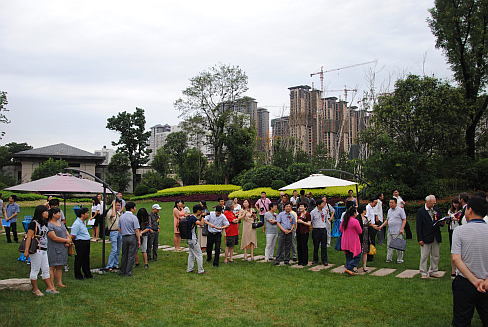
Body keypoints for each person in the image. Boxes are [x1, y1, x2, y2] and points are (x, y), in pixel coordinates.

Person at [451, 195, 488, 326]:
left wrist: (474, 281)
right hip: (486, 283)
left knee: (462, 321)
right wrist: (485, 281)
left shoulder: (459, 231)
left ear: (470, 210)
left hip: (466, 283)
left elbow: (456, 258)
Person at [24, 205, 57, 296]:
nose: (47, 213)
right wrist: (26, 250)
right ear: (41, 213)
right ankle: (35, 289)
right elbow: (29, 237)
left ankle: (49, 287)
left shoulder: (45, 223)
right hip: (36, 249)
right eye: (46, 212)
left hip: (44, 249)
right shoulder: (33, 223)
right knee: (35, 269)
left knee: (46, 269)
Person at [417, 195, 445, 279]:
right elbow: (419, 226)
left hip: (435, 235)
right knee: (424, 255)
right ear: (427, 202)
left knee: (436, 255)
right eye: (432, 203)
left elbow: (439, 220)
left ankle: (433, 270)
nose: (433, 205)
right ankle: (423, 272)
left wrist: (442, 222)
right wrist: (420, 239)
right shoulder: (421, 212)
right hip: (426, 236)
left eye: (435, 203)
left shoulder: (436, 210)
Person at [47, 207, 70, 289]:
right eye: (58, 213)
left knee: (59, 266)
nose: (60, 215)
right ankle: (51, 285)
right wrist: (66, 240)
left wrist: (68, 240)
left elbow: (66, 232)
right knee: (52, 266)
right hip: (53, 247)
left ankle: (59, 283)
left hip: (63, 247)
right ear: (53, 214)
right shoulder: (49, 225)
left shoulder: (61, 223)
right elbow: (54, 237)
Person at [379, 198, 407, 263]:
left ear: (396, 203)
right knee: (389, 245)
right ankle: (389, 258)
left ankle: (400, 259)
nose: (390, 204)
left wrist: (402, 229)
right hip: (390, 230)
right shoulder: (389, 210)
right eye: (390, 203)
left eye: (392, 203)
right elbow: (387, 220)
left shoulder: (400, 210)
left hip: (398, 230)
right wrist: (382, 226)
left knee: (399, 246)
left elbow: (404, 220)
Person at [70, 207, 95, 280]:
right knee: (79, 258)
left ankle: (87, 273)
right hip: (80, 242)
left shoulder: (83, 222)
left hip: (85, 242)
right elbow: (73, 235)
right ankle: (78, 275)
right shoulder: (77, 223)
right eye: (87, 213)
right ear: (82, 215)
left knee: (86, 258)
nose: (88, 215)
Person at [118, 202, 141, 277]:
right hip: (132, 236)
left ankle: (122, 271)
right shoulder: (134, 217)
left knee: (124, 254)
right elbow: (136, 230)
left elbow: (118, 227)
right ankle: (128, 272)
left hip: (124, 237)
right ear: (131, 208)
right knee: (131, 255)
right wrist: (138, 240)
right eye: (134, 207)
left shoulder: (122, 217)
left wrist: (123, 233)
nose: (135, 209)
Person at [340, 206, 362, 276]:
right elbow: (360, 231)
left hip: (345, 239)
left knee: (348, 255)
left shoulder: (345, 220)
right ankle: (349, 268)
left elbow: (341, 229)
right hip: (353, 240)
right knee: (358, 256)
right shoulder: (355, 221)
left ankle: (348, 269)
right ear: (354, 213)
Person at [186, 204, 206, 274]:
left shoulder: (190, 216)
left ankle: (189, 269)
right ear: (198, 211)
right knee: (199, 254)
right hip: (193, 239)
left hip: (189, 239)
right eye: (201, 211)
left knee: (192, 254)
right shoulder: (193, 218)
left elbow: (197, 220)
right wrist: (203, 216)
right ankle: (201, 270)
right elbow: (201, 224)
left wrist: (201, 217)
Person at [357, 204, 377, 272]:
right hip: (359, 237)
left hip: (366, 237)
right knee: (357, 251)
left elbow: (369, 224)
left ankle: (364, 265)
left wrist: (374, 226)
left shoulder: (365, 218)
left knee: (365, 251)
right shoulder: (357, 218)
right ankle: (355, 266)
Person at [310, 199, 329, 265]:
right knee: (316, 245)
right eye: (322, 204)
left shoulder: (325, 211)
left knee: (324, 245)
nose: (323, 205)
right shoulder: (313, 212)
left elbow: (326, 219)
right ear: (318, 205)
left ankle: (324, 260)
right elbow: (311, 221)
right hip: (316, 230)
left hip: (323, 229)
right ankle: (315, 259)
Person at [448, 196, 462, 277]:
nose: (455, 205)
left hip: (459, 229)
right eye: (454, 203)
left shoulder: (461, 211)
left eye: (457, 203)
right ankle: (453, 270)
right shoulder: (451, 211)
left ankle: (459, 269)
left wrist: (457, 220)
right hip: (452, 230)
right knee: (453, 250)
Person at [106, 201, 122, 271]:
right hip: (113, 231)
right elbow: (112, 215)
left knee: (118, 249)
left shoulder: (118, 212)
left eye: (119, 206)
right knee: (114, 249)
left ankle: (116, 264)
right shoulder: (110, 212)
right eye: (117, 206)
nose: (118, 207)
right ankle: (109, 265)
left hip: (118, 231)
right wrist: (113, 206)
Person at [224, 200, 241, 264]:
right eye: (233, 205)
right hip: (230, 231)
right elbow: (233, 220)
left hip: (234, 231)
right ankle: (225, 259)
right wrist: (237, 219)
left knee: (233, 245)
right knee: (228, 246)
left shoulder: (232, 213)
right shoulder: (226, 212)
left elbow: (235, 220)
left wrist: (236, 219)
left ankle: (231, 258)